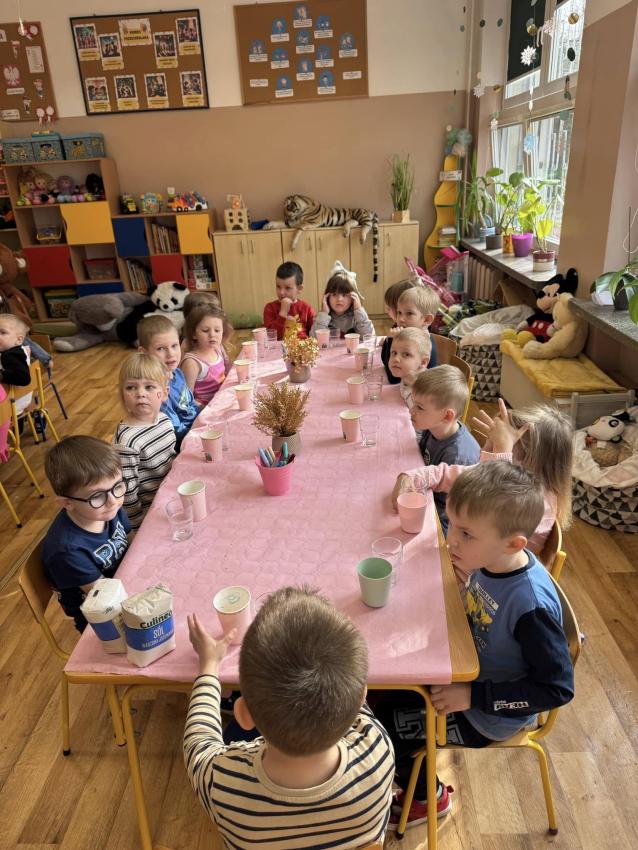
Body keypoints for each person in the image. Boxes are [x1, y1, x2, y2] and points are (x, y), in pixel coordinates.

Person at [375, 462, 574, 830]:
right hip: (463, 672)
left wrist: (473, 696)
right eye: (452, 525)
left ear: (513, 543)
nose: (451, 540)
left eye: (466, 533)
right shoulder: (489, 560)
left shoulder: (530, 607)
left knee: (384, 730)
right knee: (378, 695)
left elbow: (557, 689)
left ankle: (427, 798)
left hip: (486, 714)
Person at [184, 586, 395, 848]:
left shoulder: (223, 784)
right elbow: (356, 701)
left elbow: (198, 743)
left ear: (244, 715)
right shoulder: (378, 752)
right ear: (362, 696)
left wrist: (208, 665)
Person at [392, 398, 573, 554]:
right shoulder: (507, 474)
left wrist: (500, 454)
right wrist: (407, 479)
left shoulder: (539, 502)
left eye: (503, 445)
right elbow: (443, 474)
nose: (489, 449)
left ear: (532, 460)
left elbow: (488, 507)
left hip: (484, 575)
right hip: (464, 551)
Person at [42, 436, 131, 632]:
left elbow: (132, 540)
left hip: (127, 580)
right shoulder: (66, 550)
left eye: (117, 486)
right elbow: (108, 598)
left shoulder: (106, 509)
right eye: (96, 495)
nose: (113, 501)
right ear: (67, 503)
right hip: (103, 619)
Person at [394, 365, 479, 532]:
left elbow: (449, 510)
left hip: (446, 520)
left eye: (419, 407)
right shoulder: (434, 428)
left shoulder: (457, 456)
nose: (411, 410)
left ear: (446, 416)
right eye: (413, 403)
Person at [113, 353, 176, 529]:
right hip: (151, 514)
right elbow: (127, 494)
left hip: (171, 496)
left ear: (164, 393)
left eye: (149, 387)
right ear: (123, 395)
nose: (140, 393)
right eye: (131, 387)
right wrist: (137, 528)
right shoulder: (127, 442)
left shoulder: (164, 420)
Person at [137, 315, 198, 450]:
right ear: (144, 353)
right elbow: (174, 428)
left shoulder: (177, 373)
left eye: (174, 346)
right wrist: (198, 432)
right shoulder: (156, 390)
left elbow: (190, 402)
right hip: (180, 444)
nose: (171, 354)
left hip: (194, 429)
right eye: (161, 348)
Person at [382, 285, 440, 383]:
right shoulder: (409, 337)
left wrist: (392, 340)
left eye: (409, 313)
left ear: (426, 319)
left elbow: (393, 378)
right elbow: (385, 362)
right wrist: (389, 340)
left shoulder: (419, 343)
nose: (400, 319)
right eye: (399, 312)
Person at [180, 305, 231, 405]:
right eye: (205, 330)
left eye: (217, 330)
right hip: (204, 409)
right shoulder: (192, 363)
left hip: (223, 400)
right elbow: (186, 400)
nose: (212, 335)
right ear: (193, 334)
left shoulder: (217, 349)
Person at [310, 264, 374, 339]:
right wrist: (324, 313)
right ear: (327, 297)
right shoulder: (322, 317)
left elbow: (368, 337)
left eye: (344, 295)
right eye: (334, 294)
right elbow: (314, 339)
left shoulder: (357, 316)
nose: (339, 299)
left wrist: (358, 310)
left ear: (353, 298)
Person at [263, 261, 315, 340]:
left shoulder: (307, 309)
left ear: (299, 289)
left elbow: (314, 335)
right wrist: (283, 314)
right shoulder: (270, 308)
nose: (281, 292)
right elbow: (270, 337)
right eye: (278, 286)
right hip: (278, 347)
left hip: (302, 346)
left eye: (287, 288)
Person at [388, 327, 432, 417]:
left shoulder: (425, 391)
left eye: (406, 354)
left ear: (423, 362)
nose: (396, 359)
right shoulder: (408, 376)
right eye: (394, 353)